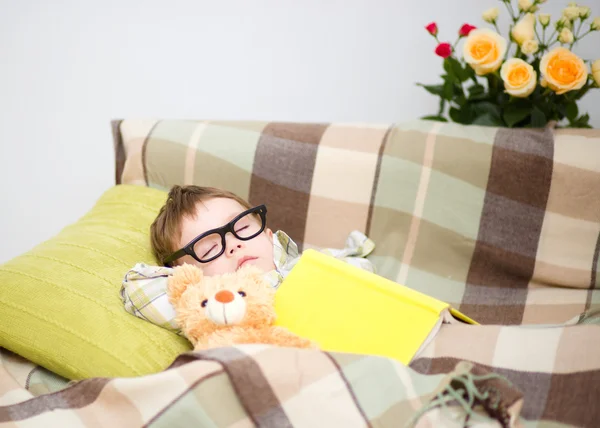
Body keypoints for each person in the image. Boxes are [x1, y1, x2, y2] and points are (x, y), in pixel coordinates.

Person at [121, 185, 375, 331]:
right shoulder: (213, 309)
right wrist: (191, 286)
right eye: (208, 250)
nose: (234, 244)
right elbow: (138, 290)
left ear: (268, 235)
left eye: (242, 228)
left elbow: (362, 270)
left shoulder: (306, 264)